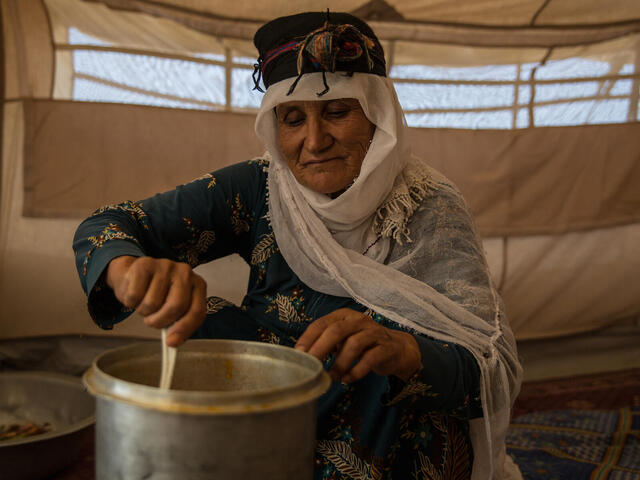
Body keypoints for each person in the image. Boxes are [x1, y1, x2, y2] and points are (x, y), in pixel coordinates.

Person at [73, 11, 522, 480]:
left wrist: (401, 349)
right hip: (272, 406)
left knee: (378, 367)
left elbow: (489, 373)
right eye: (292, 119)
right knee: (205, 319)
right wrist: (130, 273)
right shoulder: (261, 186)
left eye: (336, 111)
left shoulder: (430, 206)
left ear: (377, 116)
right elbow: (110, 225)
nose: (314, 140)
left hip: (385, 434)